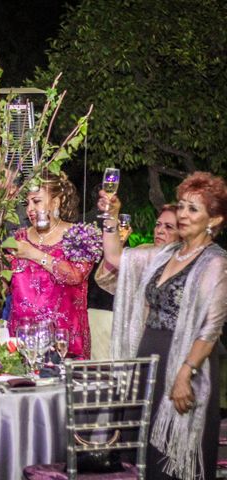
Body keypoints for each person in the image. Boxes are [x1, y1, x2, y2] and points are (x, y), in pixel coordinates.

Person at [101, 171, 227, 479]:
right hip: (150, 363)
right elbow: (117, 258)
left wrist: (186, 373)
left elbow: (211, 327)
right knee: (145, 459)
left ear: (215, 220)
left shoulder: (215, 261)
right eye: (181, 206)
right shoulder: (166, 253)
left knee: (175, 462)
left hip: (185, 366)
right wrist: (110, 216)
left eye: (193, 209)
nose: (183, 214)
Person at [7, 171, 96, 359]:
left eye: (36, 201)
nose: (29, 209)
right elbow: (7, 285)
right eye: (27, 203)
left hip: (65, 344)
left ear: (56, 202)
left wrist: (33, 253)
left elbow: (75, 276)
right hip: (23, 343)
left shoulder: (79, 236)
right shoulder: (19, 238)